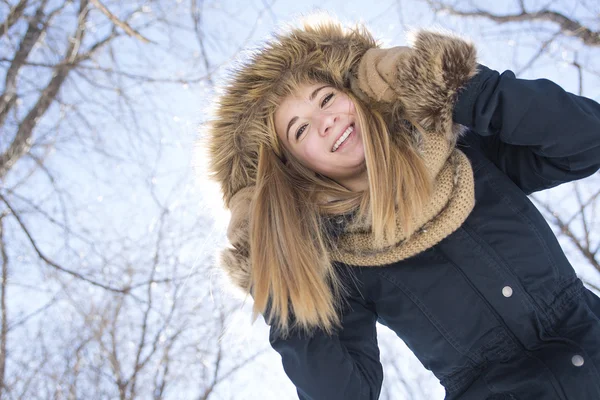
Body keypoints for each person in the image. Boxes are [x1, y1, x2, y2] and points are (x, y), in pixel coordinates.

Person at [204, 14, 600, 400]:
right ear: (293, 167)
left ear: (359, 94)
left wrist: (449, 85)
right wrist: (274, 264)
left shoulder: (466, 155)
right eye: (301, 129)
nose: (325, 121)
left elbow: (584, 141)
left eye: (326, 98)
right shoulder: (341, 265)